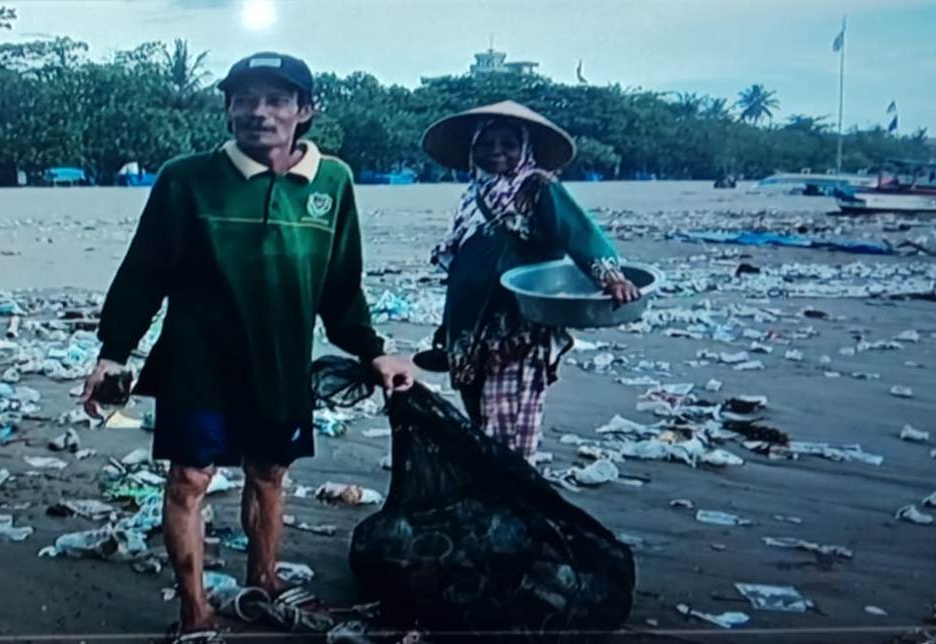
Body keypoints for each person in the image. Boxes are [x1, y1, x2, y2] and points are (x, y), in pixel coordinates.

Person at [81, 52, 416, 643]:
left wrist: (373, 351)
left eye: (277, 100)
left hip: (280, 362)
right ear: (227, 107)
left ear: (305, 111)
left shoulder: (331, 182)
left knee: (269, 473)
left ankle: (264, 580)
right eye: (244, 99)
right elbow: (145, 270)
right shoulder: (186, 178)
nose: (258, 113)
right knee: (189, 479)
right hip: (197, 359)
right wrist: (114, 352)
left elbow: (341, 284)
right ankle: (196, 614)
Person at [420, 100, 640, 460]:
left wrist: (611, 277)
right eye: (486, 144)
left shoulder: (537, 188)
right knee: (479, 420)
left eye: (508, 143)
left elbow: (579, 232)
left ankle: (511, 495)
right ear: (473, 149)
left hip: (516, 329)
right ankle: (494, 493)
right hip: (470, 330)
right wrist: (447, 330)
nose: (497, 152)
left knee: (505, 428)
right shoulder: (474, 194)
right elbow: (465, 264)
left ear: (525, 149)